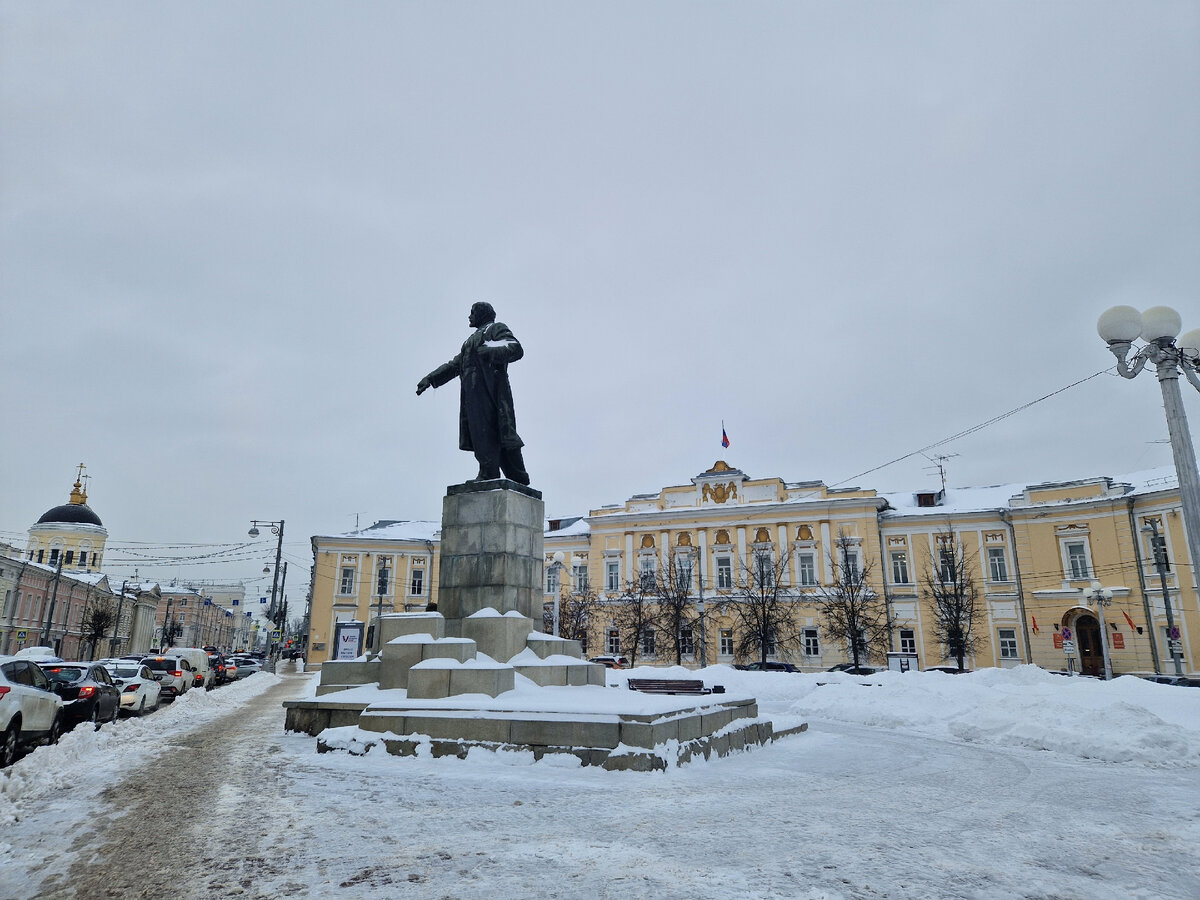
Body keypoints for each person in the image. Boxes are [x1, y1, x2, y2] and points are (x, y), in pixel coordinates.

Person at [417, 302, 531, 484]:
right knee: (480, 432)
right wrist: (430, 379)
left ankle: (502, 474)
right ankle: (490, 472)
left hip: (491, 391)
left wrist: (488, 351)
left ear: (482, 314)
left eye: (472, 312)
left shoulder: (494, 329)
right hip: (473, 394)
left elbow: (515, 348)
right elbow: (455, 365)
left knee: (498, 431)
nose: (469, 316)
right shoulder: (470, 340)